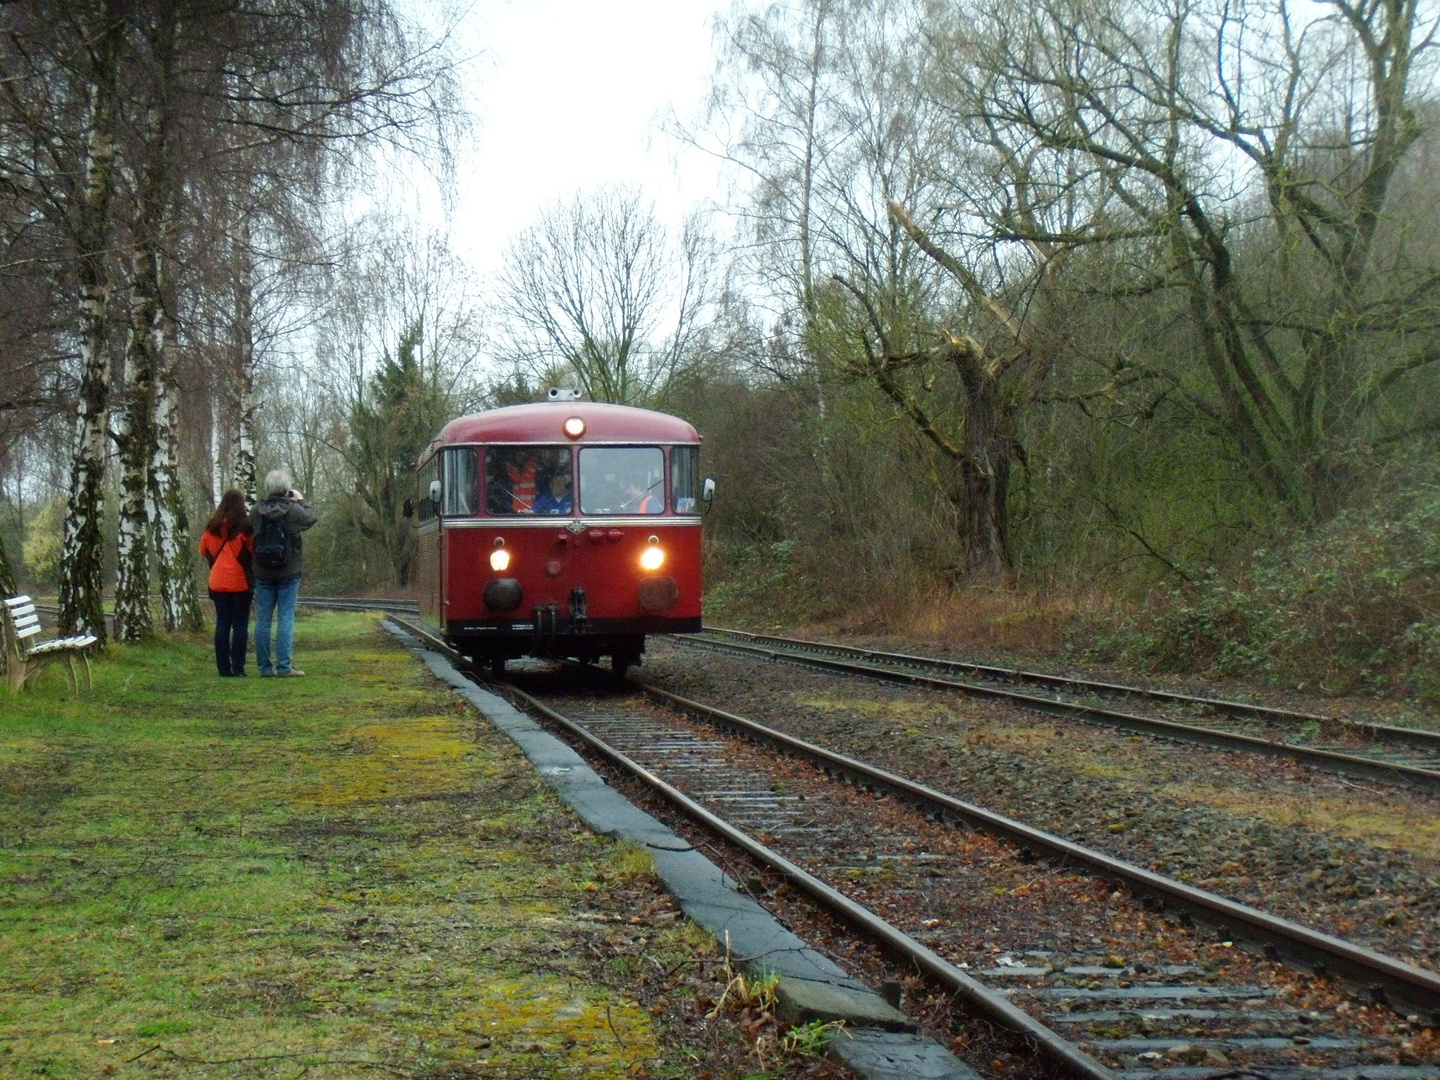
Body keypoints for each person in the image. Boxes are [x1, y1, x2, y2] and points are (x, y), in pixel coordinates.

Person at [250, 468, 318, 677]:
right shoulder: (292, 510)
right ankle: (284, 667)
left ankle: (264, 667)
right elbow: (311, 518)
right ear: (287, 488)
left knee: (263, 619)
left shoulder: (256, 511)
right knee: (286, 617)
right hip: (289, 571)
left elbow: (249, 529)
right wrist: (300, 500)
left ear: (268, 488)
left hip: (263, 572)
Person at [200, 489, 254, 678]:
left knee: (222, 624)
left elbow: (203, 550)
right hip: (240, 583)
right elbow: (252, 550)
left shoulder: (211, 527)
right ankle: (238, 668)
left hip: (217, 583)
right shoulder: (245, 527)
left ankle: (223, 669)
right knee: (240, 625)